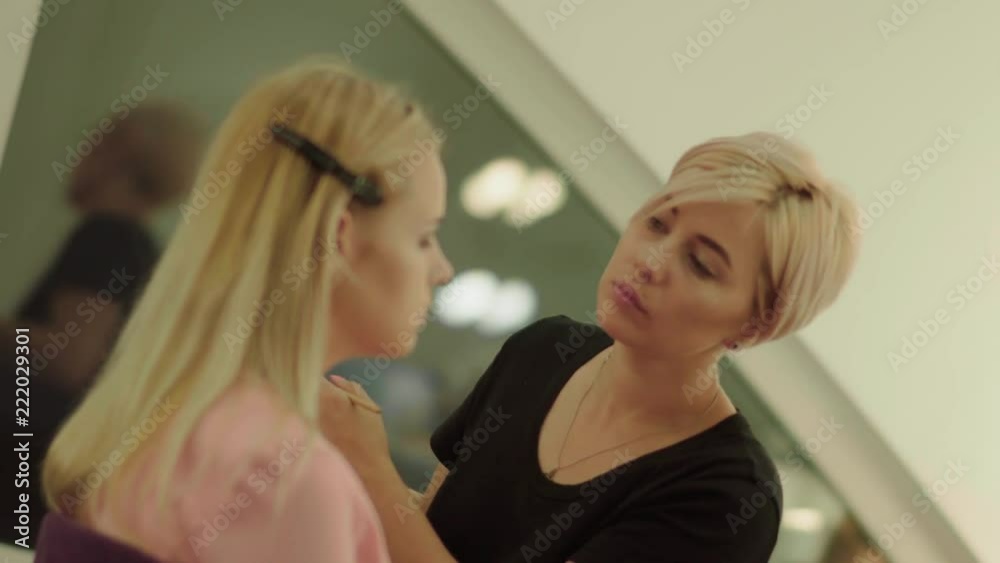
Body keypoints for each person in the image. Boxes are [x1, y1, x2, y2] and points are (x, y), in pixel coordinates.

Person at [321, 132, 863, 562]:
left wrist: (371, 465)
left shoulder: (724, 496)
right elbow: (419, 528)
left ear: (757, 325)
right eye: (657, 224)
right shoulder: (542, 350)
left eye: (700, 263)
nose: (650, 261)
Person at [34, 56, 453, 562]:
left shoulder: (155, 420)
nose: (442, 269)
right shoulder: (290, 481)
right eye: (425, 238)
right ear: (339, 233)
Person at [1, 100, 204, 548]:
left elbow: (70, 357)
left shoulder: (107, 237)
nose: (80, 154)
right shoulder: (141, 249)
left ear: (119, 154)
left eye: (95, 143)